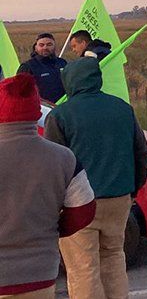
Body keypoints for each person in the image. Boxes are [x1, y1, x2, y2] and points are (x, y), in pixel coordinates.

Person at [44, 57, 147, 299]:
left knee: (83, 266)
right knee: (114, 257)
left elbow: (54, 166)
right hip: (119, 199)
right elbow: (142, 152)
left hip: (78, 205)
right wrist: (132, 190)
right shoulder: (123, 108)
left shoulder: (61, 115)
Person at [0, 73, 96, 299]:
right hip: (39, 273)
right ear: (36, 111)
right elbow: (84, 210)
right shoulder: (64, 157)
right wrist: (50, 231)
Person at [17, 32, 68, 104]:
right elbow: (20, 91)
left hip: (62, 108)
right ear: (36, 48)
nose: (45, 47)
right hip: (40, 109)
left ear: (55, 46)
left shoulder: (62, 63)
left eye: (49, 45)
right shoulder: (27, 66)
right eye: (41, 45)